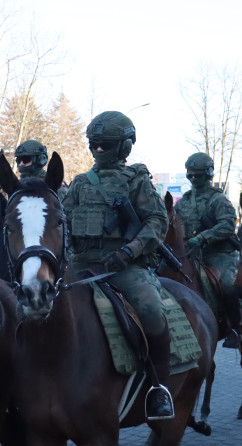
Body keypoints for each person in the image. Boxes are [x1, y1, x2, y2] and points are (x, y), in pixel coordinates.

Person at [61, 110, 174, 420]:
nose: (98, 150)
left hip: (124, 267)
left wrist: (129, 251)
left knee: (151, 309)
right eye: (94, 144)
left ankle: (159, 387)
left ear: (124, 147)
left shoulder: (137, 179)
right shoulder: (81, 183)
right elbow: (63, 222)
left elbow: (156, 220)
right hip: (82, 265)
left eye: (105, 144)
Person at [174, 152, 242, 349]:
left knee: (228, 284)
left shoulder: (218, 200)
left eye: (199, 175)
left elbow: (228, 225)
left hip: (218, 254)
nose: (194, 179)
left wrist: (203, 237)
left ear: (208, 175)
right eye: (191, 175)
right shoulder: (183, 202)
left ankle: (235, 328)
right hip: (190, 253)